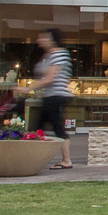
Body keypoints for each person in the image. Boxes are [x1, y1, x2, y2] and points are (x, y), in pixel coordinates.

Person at [30, 28, 75, 170]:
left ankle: (66, 160)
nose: (40, 40)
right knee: (39, 128)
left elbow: (50, 78)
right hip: (50, 96)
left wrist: (28, 88)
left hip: (56, 96)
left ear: (52, 39)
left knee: (56, 127)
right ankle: (33, 158)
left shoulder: (58, 54)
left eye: (44, 37)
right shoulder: (49, 55)